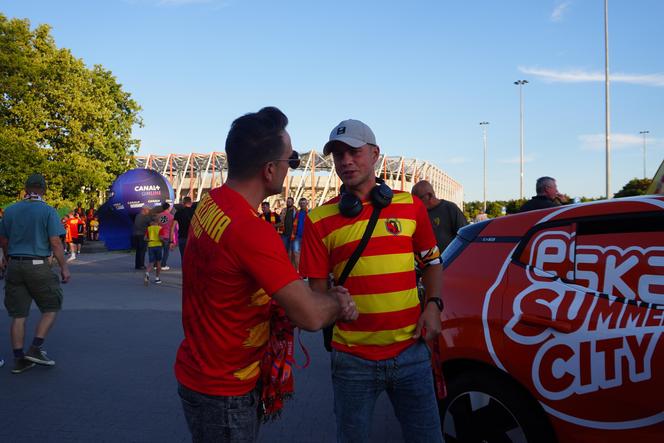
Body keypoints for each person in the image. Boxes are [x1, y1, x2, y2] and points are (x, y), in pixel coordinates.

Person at [174, 106, 358, 443]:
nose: (291, 168)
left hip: (199, 372)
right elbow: (311, 316)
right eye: (292, 160)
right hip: (226, 390)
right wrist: (337, 301)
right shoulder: (251, 232)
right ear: (270, 169)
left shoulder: (212, 203)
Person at [299, 119, 444, 442]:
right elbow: (316, 294)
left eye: (354, 152)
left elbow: (433, 263)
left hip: (412, 353)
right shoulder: (318, 220)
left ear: (375, 153)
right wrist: (333, 306)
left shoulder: (410, 206)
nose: (345, 161)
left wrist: (433, 305)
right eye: (338, 155)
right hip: (352, 361)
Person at [0, 174, 70, 374]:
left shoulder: (11, 211)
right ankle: (35, 348)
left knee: (18, 315)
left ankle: (19, 359)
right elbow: (56, 242)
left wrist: (7, 258)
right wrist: (64, 267)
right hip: (38, 265)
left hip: (15, 265)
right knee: (51, 306)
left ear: (25, 188)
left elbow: (3, 240)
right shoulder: (48, 211)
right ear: (44, 190)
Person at [411, 180, 468, 252]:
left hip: (448, 260)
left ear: (429, 196)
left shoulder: (450, 208)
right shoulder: (417, 213)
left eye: (417, 199)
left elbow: (464, 235)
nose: (414, 203)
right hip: (425, 261)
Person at [290, 197, 309, 271]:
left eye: (304, 203)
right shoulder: (297, 213)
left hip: (306, 237)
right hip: (297, 236)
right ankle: (298, 271)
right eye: (301, 203)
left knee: (305, 254)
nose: (302, 205)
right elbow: (294, 224)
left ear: (307, 204)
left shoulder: (310, 212)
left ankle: (305, 270)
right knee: (296, 253)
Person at [156, 202, 175, 270]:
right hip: (167, 236)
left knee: (158, 250)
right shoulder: (172, 216)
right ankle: (163, 265)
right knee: (166, 251)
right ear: (168, 208)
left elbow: (157, 225)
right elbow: (173, 228)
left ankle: (156, 264)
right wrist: (172, 240)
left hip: (160, 235)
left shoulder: (158, 215)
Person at [145, 218, 163, 285]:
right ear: (158, 222)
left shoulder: (149, 228)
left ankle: (147, 274)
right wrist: (163, 240)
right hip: (158, 245)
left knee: (151, 263)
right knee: (158, 263)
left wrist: (150, 239)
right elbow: (161, 238)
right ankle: (157, 278)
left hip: (150, 246)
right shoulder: (160, 228)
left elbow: (145, 238)